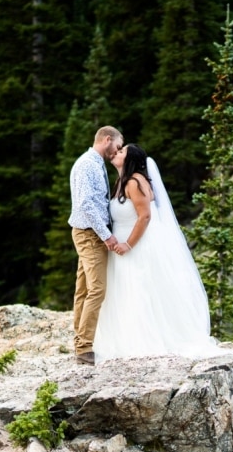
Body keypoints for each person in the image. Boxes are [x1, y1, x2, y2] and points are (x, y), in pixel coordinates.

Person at [93, 144, 219, 361]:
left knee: (140, 289)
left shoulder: (134, 182)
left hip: (137, 244)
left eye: (121, 152)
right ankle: (127, 336)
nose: (116, 153)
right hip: (121, 243)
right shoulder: (122, 182)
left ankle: (145, 340)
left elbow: (145, 217)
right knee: (125, 290)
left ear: (130, 159)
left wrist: (128, 244)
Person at [69, 125, 124, 365]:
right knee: (97, 290)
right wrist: (106, 236)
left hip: (90, 233)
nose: (117, 152)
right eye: (118, 147)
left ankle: (80, 342)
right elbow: (86, 204)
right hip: (90, 234)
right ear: (107, 139)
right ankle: (84, 347)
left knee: (83, 289)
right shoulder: (86, 164)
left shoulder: (95, 162)